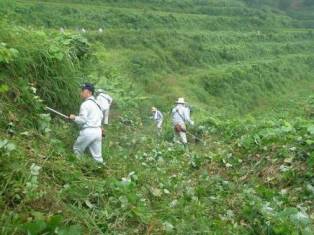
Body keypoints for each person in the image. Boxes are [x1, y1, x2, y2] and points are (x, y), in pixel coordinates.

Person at [69, 83, 104, 163]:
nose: (80, 93)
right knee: (97, 157)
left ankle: (77, 167)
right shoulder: (97, 104)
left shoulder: (85, 104)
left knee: (77, 149)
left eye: (83, 91)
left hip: (89, 131)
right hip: (98, 132)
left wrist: (74, 117)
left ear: (89, 93)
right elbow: (100, 117)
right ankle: (100, 170)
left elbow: (82, 120)